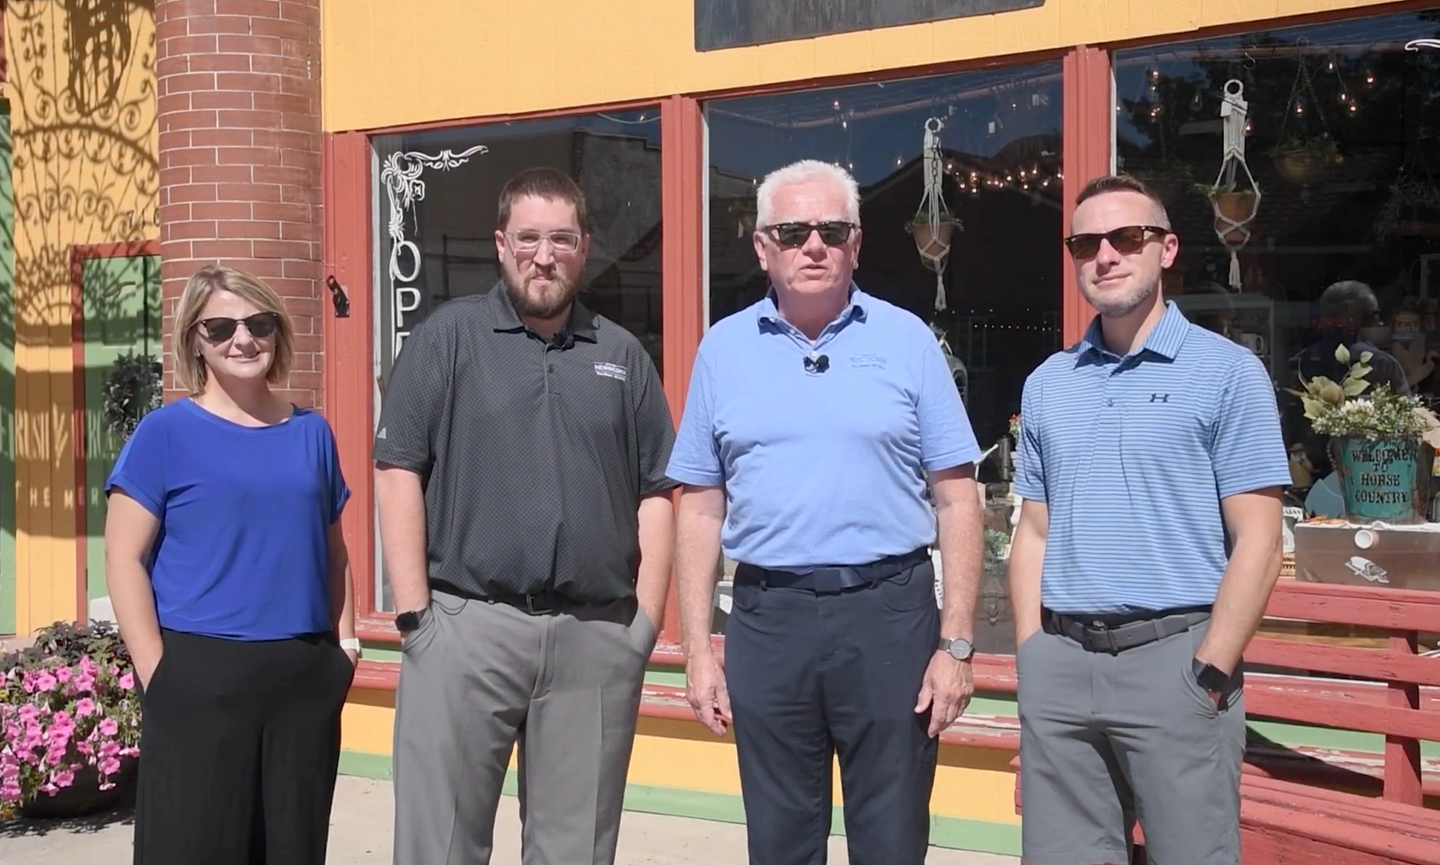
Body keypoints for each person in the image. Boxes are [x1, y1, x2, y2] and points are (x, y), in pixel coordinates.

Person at [668, 158, 986, 865]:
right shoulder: (723, 350)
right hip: (768, 618)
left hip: (890, 617)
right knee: (779, 842)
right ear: (763, 247)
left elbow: (958, 495)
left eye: (832, 230)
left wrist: (958, 646)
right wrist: (697, 650)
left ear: (856, 244)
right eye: (792, 231)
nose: (813, 245)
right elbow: (700, 507)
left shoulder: (908, 341)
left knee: (892, 840)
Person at [375, 166, 677, 865]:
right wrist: (417, 620)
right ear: (502, 244)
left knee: (575, 851)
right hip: (465, 632)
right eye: (530, 238)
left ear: (584, 248)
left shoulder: (622, 356)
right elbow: (397, 473)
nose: (545, 256)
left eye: (562, 239)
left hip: (594, 639)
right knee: (439, 848)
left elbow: (658, 491)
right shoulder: (447, 338)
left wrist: (643, 625)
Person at [1009, 174, 1290, 865]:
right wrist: (1032, 655)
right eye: (1085, 243)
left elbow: (1259, 538)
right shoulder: (1048, 383)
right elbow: (1034, 532)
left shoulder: (1228, 373)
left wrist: (1211, 669)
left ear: (1166, 249)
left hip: (1177, 662)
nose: (1104, 255)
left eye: (1126, 237)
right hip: (1061, 665)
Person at [104, 265, 358, 865]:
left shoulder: (311, 432)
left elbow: (334, 550)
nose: (242, 340)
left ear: (277, 331)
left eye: (258, 324)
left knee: (292, 850)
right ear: (195, 340)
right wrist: (159, 674)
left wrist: (345, 648)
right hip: (199, 675)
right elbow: (123, 558)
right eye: (220, 328)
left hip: (302, 677)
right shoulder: (164, 433)